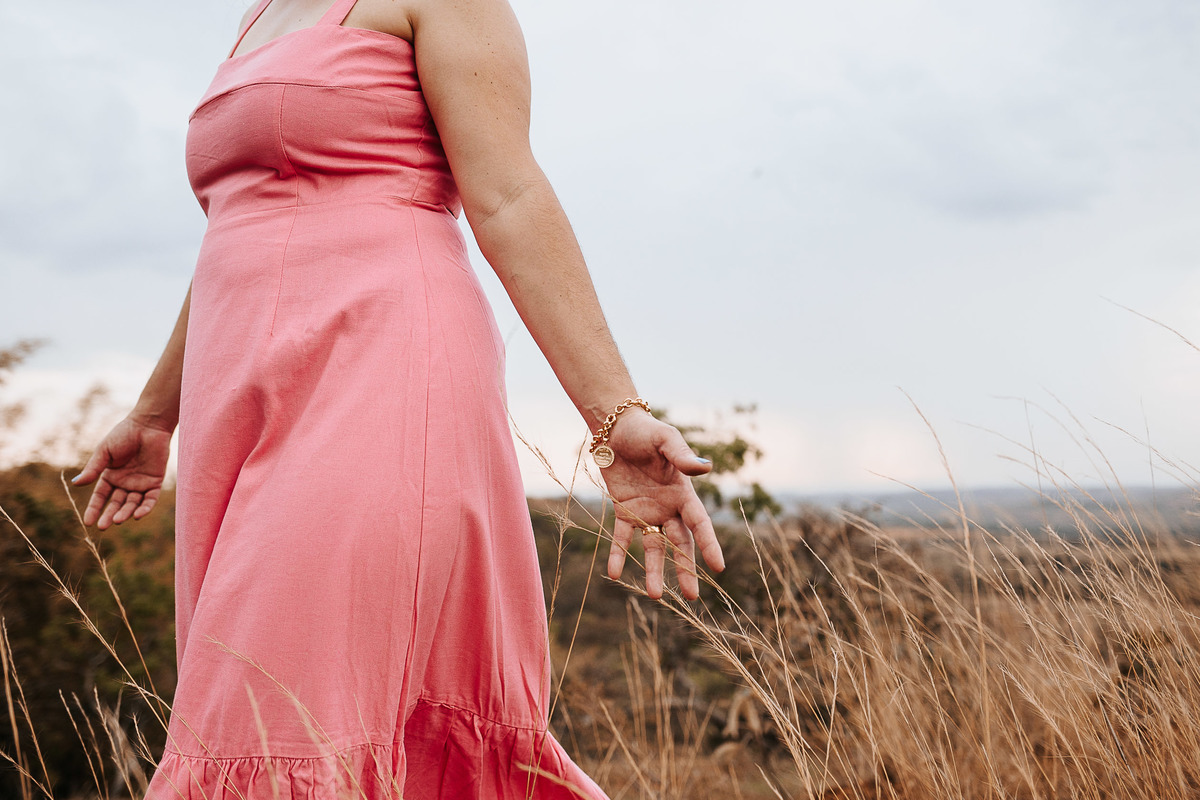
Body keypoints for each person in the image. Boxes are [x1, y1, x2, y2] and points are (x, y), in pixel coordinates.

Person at [74, 0, 725, 796]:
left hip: (378, 365)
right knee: (259, 700)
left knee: (279, 710)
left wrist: (613, 413)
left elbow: (509, 196)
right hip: (237, 405)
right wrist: (155, 413)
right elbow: (239, 230)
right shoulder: (260, 14)